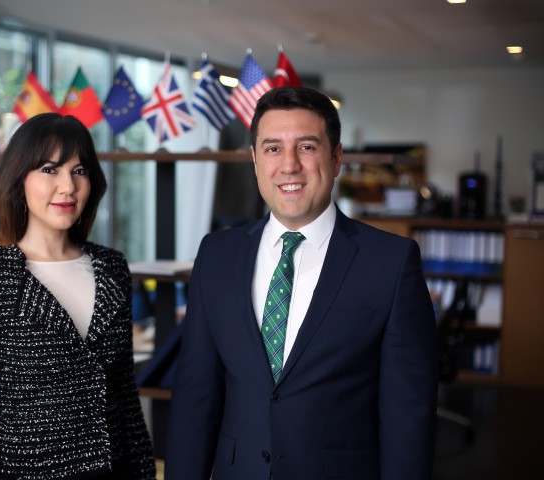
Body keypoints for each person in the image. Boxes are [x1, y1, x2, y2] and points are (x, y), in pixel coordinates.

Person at [165, 86, 438, 480]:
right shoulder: (216, 255)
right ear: (255, 159)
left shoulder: (391, 263)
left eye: (307, 147)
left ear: (336, 157)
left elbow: (408, 413)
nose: (289, 165)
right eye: (273, 148)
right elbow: (196, 395)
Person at [0, 113, 156, 479]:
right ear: (19, 180)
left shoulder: (112, 268)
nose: (68, 186)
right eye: (50, 170)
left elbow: (125, 396)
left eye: (79, 171)